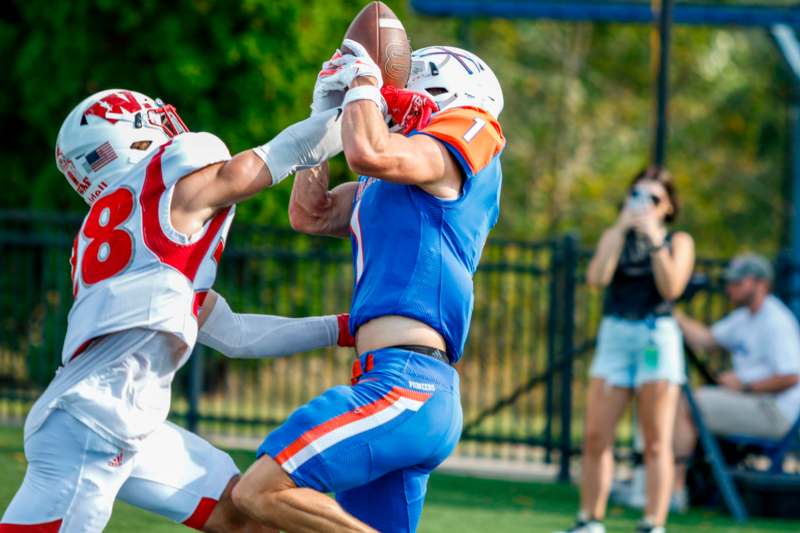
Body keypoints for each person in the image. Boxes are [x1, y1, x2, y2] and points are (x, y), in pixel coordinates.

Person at [1, 88, 349, 532]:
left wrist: (342, 328)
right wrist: (351, 107)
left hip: (115, 417)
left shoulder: (145, 243)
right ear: (130, 138)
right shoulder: (171, 192)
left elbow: (236, 334)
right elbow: (275, 156)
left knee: (242, 515)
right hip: (95, 421)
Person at [228, 41, 505, 532]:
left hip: (408, 384)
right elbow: (310, 212)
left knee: (259, 491)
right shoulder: (394, 181)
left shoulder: (470, 131)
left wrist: (363, 84)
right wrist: (324, 115)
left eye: (408, 83)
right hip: (390, 382)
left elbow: (371, 150)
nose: (397, 97)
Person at [560, 167, 695, 533]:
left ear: (668, 206)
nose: (644, 204)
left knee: (655, 441)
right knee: (596, 436)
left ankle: (653, 522)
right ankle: (590, 520)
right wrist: (621, 229)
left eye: (653, 198)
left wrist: (653, 240)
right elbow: (596, 279)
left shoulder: (677, 241)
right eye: (638, 195)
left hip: (656, 338)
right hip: (616, 335)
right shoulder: (615, 236)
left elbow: (672, 289)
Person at [673, 254, 800, 499]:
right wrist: (670, 311)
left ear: (761, 284)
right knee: (677, 398)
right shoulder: (744, 318)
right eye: (729, 282)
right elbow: (706, 340)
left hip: (775, 412)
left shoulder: (775, 322)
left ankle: (675, 489)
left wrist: (744, 386)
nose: (729, 288)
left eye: (738, 283)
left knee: (689, 403)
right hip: (754, 403)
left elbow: (792, 376)